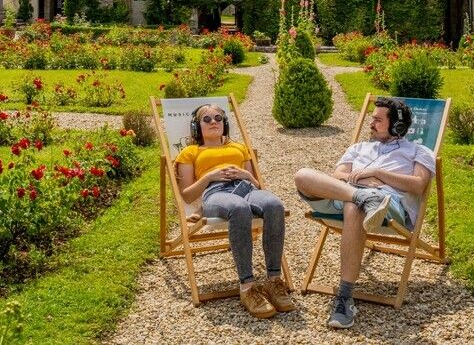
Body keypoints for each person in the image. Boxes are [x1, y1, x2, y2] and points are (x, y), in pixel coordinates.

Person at [294, 97, 435, 329]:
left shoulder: (419, 151)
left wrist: (378, 174)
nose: (372, 124)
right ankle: (361, 196)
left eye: (378, 120)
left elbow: (418, 185)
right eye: (371, 119)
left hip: (386, 205)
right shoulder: (358, 148)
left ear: (397, 126)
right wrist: (357, 184)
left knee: (354, 207)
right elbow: (337, 176)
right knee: (302, 175)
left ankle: (345, 297)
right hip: (347, 193)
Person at [176, 103, 295, 319]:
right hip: (215, 193)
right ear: (197, 127)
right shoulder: (190, 152)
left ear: (225, 123)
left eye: (219, 118)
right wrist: (209, 177)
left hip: (246, 187)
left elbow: (257, 185)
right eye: (207, 119)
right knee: (240, 209)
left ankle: (274, 281)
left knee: (274, 205)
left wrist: (247, 175)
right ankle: (248, 287)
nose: (214, 122)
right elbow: (187, 195)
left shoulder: (239, 148)